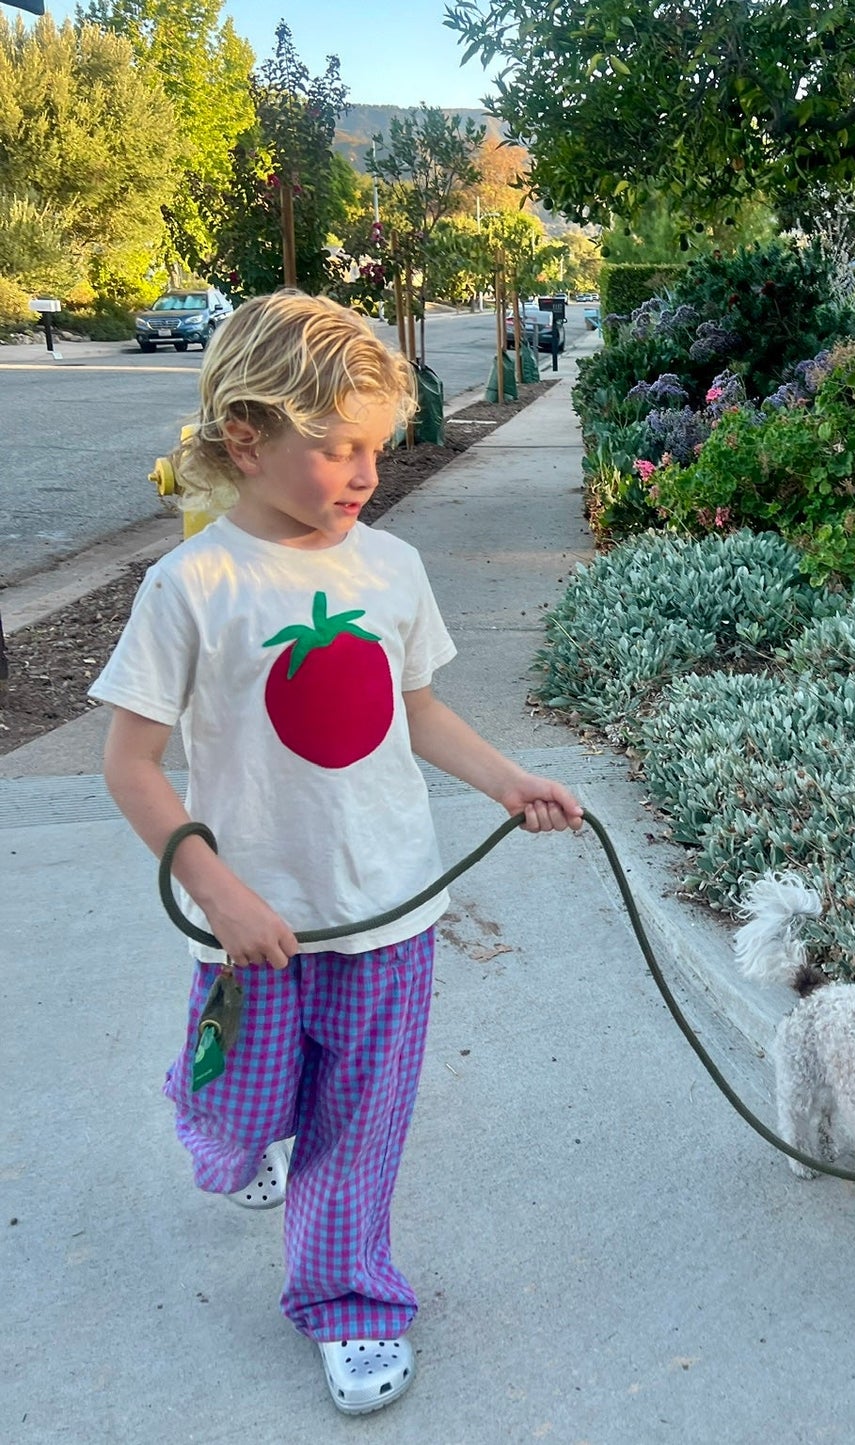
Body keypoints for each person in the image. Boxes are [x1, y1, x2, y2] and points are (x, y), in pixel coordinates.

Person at [90, 290, 583, 1416]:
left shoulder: (392, 571)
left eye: (375, 446)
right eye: (335, 448)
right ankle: (209, 1102)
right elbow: (130, 764)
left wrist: (508, 778)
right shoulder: (192, 587)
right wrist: (216, 891)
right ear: (249, 437)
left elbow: (415, 710)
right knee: (241, 1117)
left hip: (388, 913)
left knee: (357, 1127)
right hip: (254, 926)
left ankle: (349, 1298)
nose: (363, 472)